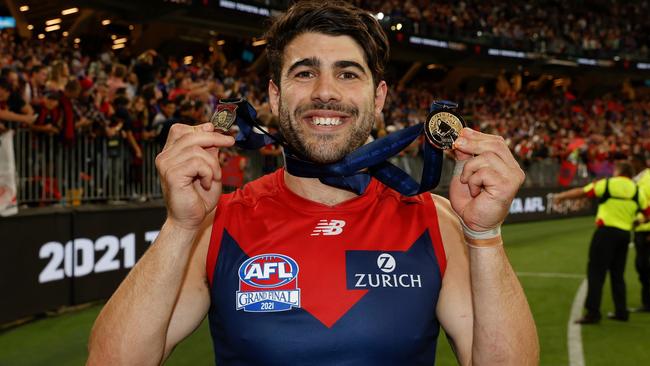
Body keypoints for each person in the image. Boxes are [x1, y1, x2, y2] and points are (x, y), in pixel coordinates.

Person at [88, 2, 538, 365]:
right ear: (275, 95)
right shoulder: (217, 224)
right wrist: (179, 227)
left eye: (348, 73)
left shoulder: (434, 222)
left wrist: (483, 236)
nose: (326, 91)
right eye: (305, 72)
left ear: (378, 98)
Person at [554, 161, 649, 323]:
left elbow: (583, 192)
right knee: (618, 275)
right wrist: (637, 222)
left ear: (618, 171)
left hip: (605, 233)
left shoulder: (608, 184)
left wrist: (561, 196)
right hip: (624, 235)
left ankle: (593, 313)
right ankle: (621, 312)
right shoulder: (636, 190)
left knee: (596, 273)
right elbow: (647, 212)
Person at [633, 165, 650, 312]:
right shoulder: (640, 178)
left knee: (644, 266)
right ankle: (646, 302)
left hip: (646, 230)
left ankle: (648, 303)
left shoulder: (645, 179)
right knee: (641, 267)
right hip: (640, 229)